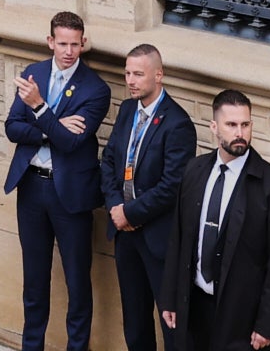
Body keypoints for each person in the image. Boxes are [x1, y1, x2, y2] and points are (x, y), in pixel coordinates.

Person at [159, 91, 270, 351]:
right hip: (193, 305)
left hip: (241, 319)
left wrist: (268, 325)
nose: (240, 133)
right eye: (232, 125)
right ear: (214, 127)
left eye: (245, 125)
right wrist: (170, 297)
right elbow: (178, 239)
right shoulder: (195, 170)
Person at [5, 12, 109, 351]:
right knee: (34, 280)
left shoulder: (96, 89)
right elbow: (11, 129)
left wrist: (38, 109)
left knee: (78, 282)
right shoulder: (32, 74)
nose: (68, 51)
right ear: (50, 41)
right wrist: (52, 122)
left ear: (83, 43)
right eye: (62, 43)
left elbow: (72, 143)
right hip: (31, 187)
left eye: (75, 44)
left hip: (71, 195)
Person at [101, 42, 194, 351]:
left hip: (158, 239)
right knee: (135, 320)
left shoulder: (177, 123)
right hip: (125, 235)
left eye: (138, 74)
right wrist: (116, 206)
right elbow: (111, 160)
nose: (130, 81)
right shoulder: (128, 109)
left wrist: (131, 213)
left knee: (171, 325)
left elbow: (172, 186)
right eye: (127, 73)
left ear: (159, 76)